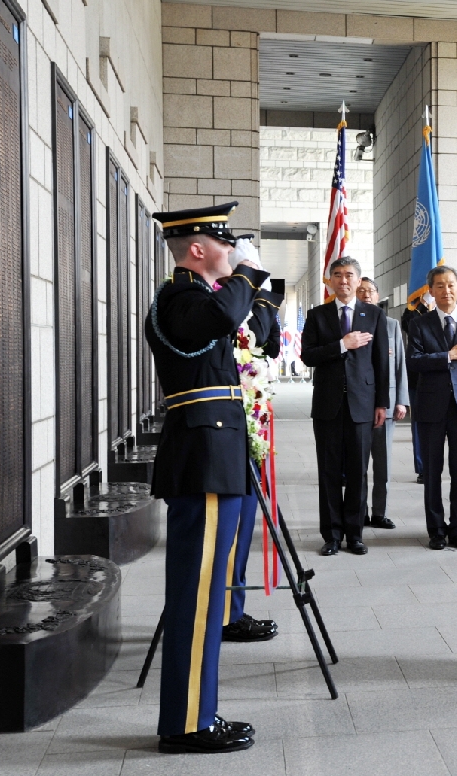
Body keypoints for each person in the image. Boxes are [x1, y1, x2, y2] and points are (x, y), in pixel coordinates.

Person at [146, 201, 262, 754]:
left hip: (216, 453)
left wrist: (248, 284)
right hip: (203, 457)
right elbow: (219, 320)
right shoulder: (180, 299)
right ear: (198, 249)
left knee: (207, 595)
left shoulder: (199, 298)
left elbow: (245, 321)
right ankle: (188, 722)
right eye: (224, 243)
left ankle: (196, 712)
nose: (232, 251)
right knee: (196, 597)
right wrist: (244, 274)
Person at [301, 256, 388, 557]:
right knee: (328, 471)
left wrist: (382, 403)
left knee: (358, 472)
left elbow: (381, 362)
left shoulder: (373, 314)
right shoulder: (318, 315)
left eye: (349, 275)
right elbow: (308, 356)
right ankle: (332, 535)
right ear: (330, 280)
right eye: (337, 275)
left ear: (359, 280)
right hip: (327, 406)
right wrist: (342, 344)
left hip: (362, 406)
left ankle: (355, 534)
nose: (343, 280)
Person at [223, 234, 282, 646]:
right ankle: (226, 613)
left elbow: (270, 345)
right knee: (229, 530)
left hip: (249, 428)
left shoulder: (247, 309)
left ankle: (232, 609)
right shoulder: (218, 308)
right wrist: (255, 299)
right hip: (227, 437)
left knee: (243, 527)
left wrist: (262, 301)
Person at [407, 266, 457, 550]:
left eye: (451, 284)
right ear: (431, 291)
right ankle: (436, 530)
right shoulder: (419, 324)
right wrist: (447, 356)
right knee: (432, 472)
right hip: (430, 406)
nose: (446, 290)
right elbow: (414, 362)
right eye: (440, 285)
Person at [356, 278, 408, 531]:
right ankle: (359, 513)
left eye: (371, 291)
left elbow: (400, 365)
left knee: (382, 465)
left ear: (378, 295)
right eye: (361, 291)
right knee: (358, 465)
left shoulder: (391, 325)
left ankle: (379, 512)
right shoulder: (350, 324)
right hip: (358, 405)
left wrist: (401, 400)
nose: (366, 295)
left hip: (385, 406)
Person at [402, 297, 435, 484]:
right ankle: (423, 468)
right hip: (419, 379)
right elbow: (408, 323)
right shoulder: (413, 313)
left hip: (448, 382)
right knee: (419, 425)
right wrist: (422, 304)